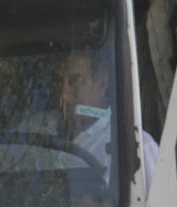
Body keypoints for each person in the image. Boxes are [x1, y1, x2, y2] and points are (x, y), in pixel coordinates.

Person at [59, 49, 159, 190]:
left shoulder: (137, 147)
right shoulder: (45, 135)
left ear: (102, 85)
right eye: (60, 83)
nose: (65, 96)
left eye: (75, 82)